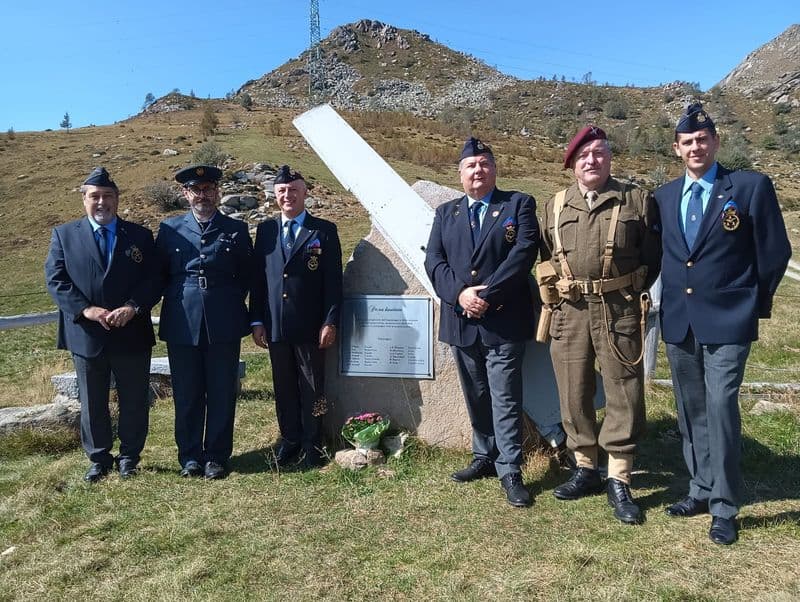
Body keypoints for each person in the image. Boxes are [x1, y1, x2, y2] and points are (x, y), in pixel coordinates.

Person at [655, 103, 791, 544]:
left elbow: (774, 254)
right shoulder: (664, 196)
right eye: (687, 142)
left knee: (720, 408)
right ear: (677, 149)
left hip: (730, 319)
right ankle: (699, 488)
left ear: (716, 142)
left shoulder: (749, 187)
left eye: (703, 139)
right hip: (681, 320)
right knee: (691, 411)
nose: (696, 147)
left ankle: (725, 506)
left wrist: (753, 303)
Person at [539, 126, 661, 524]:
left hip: (618, 308)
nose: (592, 160)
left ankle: (620, 477)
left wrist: (625, 289)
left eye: (599, 152)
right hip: (570, 311)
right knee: (573, 388)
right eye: (584, 155)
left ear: (610, 157)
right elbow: (544, 254)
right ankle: (585, 467)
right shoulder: (554, 205)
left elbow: (653, 256)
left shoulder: (636, 200)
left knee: (624, 388)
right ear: (572, 162)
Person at [424, 137, 538, 507]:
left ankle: (510, 468)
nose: (478, 170)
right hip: (462, 321)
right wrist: (460, 296)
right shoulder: (446, 213)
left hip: (502, 318)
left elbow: (522, 255)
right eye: (471, 165)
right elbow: (435, 262)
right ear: (460, 174)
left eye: (485, 163)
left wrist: (485, 297)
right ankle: (484, 456)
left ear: (495, 169)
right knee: (475, 393)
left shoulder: (517, 204)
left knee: (505, 395)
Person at [45, 167, 159, 482]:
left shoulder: (139, 235)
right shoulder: (64, 236)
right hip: (87, 334)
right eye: (95, 196)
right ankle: (98, 458)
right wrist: (86, 310)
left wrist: (133, 307)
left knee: (134, 398)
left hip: (131, 332)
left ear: (117, 199)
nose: (101, 202)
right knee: (93, 400)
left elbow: (154, 279)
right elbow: (56, 280)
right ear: (84, 200)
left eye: (108, 196)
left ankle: (129, 457)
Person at [156, 164, 253, 479]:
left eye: (209, 189)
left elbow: (246, 276)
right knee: (187, 392)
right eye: (196, 190)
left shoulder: (235, 230)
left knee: (222, 391)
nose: (203, 195)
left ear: (218, 192)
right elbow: (159, 276)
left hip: (223, 320)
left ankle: (216, 456)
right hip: (182, 321)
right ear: (186, 194)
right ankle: (190, 457)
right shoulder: (169, 229)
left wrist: (225, 300)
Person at [249, 166, 343, 469]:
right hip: (275, 325)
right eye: (281, 192)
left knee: (313, 386)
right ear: (275, 195)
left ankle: (313, 443)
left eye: (293, 190)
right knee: (284, 386)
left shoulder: (323, 230)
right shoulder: (266, 231)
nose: (287, 196)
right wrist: (256, 320)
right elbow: (259, 281)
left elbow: (333, 282)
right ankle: (289, 440)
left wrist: (330, 321)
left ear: (305, 193)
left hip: (311, 326)